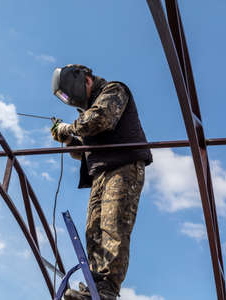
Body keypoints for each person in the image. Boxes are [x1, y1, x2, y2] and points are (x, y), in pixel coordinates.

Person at [51, 65, 152, 300]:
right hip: (101, 173)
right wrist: (68, 140)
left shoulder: (114, 90)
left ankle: (107, 289)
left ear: (85, 79)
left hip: (124, 166)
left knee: (113, 225)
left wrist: (69, 127)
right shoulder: (86, 113)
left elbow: (101, 119)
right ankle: (95, 286)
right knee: (93, 230)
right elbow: (85, 151)